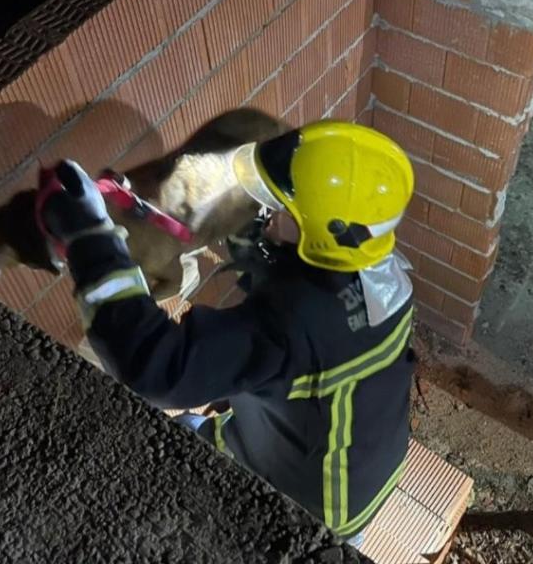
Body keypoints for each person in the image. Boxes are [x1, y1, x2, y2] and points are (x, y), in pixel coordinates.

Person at [40, 121, 417, 545]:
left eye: (280, 210)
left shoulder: (292, 325)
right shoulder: (383, 270)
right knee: (197, 424)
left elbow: (157, 366)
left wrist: (89, 238)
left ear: (322, 234)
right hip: (366, 463)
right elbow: (310, 310)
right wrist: (256, 244)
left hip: (316, 508)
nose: (267, 213)